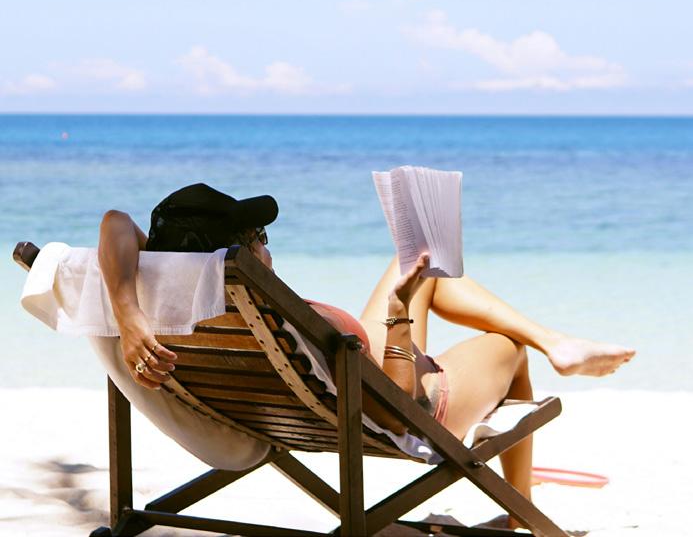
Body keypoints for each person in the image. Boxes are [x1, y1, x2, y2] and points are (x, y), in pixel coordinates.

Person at [98, 184, 635, 531]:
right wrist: (398, 315)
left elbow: (115, 221)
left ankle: (555, 343)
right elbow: (399, 412)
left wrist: (128, 317)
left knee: (418, 263)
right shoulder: (281, 312)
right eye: (258, 236)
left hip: (309, 388)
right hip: (411, 404)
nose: (266, 245)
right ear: (240, 255)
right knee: (510, 348)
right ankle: (520, 503)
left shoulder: (161, 295)